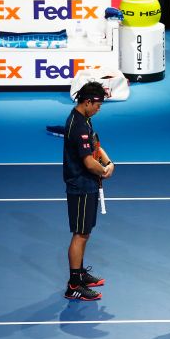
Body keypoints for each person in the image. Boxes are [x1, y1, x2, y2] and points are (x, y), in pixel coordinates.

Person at [63, 81, 115, 301]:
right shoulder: (79, 126)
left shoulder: (83, 119)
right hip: (81, 185)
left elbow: (95, 146)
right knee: (80, 234)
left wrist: (108, 161)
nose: (99, 108)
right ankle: (74, 284)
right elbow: (88, 162)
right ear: (87, 102)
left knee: (85, 233)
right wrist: (104, 171)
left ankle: (80, 273)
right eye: (97, 104)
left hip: (87, 185)